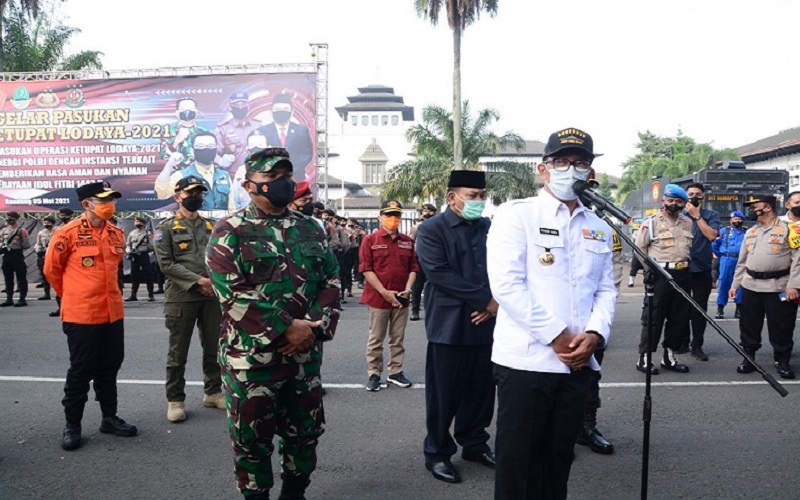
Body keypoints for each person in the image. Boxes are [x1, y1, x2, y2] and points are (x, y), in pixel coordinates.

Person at [487, 128, 615, 500]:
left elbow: (606, 289)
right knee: (518, 465)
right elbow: (507, 286)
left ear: (590, 172)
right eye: (561, 161)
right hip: (526, 363)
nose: (570, 169)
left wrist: (595, 335)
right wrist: (559, 337)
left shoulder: (598, 226)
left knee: (558, 461)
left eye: (580, 163)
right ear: (543, 170)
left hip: (576, 365)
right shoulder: (517, 215)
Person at [206, 148, 340, 500]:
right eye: (272, 178)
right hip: (251, 362)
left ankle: (295, 493)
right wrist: (286, 329)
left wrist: (310, 328)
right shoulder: (230, 230)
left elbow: (331, 282)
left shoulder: (311, 228)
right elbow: (232, 293)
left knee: (304, 435)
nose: (282, 183)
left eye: (286, 175)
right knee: (252, 441)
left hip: (303, 358)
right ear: (251, 185)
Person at [416, 171, 497, 484]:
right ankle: (436, 452)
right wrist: (485, 301)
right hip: (449, 325)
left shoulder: (488, 227)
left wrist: (495, 305)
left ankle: (475, 443)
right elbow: (439, 273)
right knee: (444, 394)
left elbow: (503, 266)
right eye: (471, 195)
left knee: (481, 390)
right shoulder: (432, 229)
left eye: (481, 196)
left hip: (487, 324)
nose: (478, 201)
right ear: (452, 197)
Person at [44, 181, 137, 451]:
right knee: (81, 370)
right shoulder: (67, 233)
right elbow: (52, 271)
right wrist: (72, 296)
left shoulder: (116, 233)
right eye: (104, 200)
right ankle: (72, 424)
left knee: (110, 367)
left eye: (112, 200)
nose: (111, 205)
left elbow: (116, 270)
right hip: (82, 314)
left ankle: (109, 418)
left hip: (112, 313)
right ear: (86, 204)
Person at [154, 176, 225, 422]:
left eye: (199, 193)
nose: (196, 197)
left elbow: (221, 258)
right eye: (190, 193)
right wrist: (198, 282)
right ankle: (175, 400)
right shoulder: (165, 229)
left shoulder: (213, 226)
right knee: (178, 352)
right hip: (181, 297)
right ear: (177, 197)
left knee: (214, 348)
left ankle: (213, 392)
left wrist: (211, 282)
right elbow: (166, 264)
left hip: (211, 295)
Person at [730, 195, 800, 380]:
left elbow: (797, 260)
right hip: (751, 285)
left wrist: (794, 285)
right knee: (749, 325)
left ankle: (782, 360)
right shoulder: (751, 231)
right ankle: (749, 359)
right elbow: (742, 261)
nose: (751, 210)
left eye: (754, 207)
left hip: (778, 286)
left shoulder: (789, 229)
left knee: (782, 326)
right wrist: (735, 284)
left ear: (767, 208)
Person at [574, 171, 618, 455]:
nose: (587, 194)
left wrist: (599, 326)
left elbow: (609, 280)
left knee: (589, 378)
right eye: (583, 189)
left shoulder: (601, 226)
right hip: (554, 322)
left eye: (591, 189)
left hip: (590, 319)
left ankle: (586, 427)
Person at [359, 200, 418, 392]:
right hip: (379, 299)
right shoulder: (370, 240)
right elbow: (366, 269)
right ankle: (374, 374)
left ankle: (395, 372)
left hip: (401, 297)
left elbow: (413, 268)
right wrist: (384, 292)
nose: (393, 219)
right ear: (380, 217)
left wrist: (408, 289)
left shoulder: (407, 241)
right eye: (389, 215)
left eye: (397, 215)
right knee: (376, 338)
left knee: (397, 338)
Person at [635, 184, 694, 375]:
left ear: (684, 203)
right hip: (660, 274)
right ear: (663, 201)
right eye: (670, 201)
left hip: (682, 273)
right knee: (653, 318)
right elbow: (640, 248)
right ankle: (645, 357)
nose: (674, 204)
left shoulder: (687, 223)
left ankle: (669, 356)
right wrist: (649, 270)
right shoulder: (651, 223)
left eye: (679, 202)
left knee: (679, 319)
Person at [679, 183, 720, 361]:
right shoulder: (678, 215)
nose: (694, 196)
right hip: (681, 268)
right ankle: (681, 342)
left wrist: (697, 217)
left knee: (699, 309)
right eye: (691, 194)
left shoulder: (711, 215)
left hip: (702, 268)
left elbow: (712, 235)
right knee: (680, 309)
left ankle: (697, 345)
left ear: (703, 197)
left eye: (698, 194)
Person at [155, 132, 235, 210]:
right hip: (195, 222)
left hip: (220, 222)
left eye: (211, 146)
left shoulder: (224, 175)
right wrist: (169, 165)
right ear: (192, 151)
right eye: (200, 146)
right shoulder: (181, 176)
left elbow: (232, 207)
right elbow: (162, 194)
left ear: (216, 149)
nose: (206, 149)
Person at [257, 93, 313, 182]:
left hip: (296, 179)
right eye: (278, 109)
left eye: (285, 109)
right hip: (270, 181)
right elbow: (259, 155)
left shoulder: (302, 131)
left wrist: (289, 170)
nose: (281, 112)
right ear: (271, 112)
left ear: (292, 112)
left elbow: (306, 155)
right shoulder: (262, 131)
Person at [214, 91, 262, 175]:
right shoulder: (223, 128)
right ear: (230, 107)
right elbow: (213, 153)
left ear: (248, 106)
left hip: (257, 173)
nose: (240, 107)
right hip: (232, 175)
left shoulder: (259, 126)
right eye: (236, 105)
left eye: (243, 104)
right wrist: (220, 161)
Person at [159, 96, 209, 171]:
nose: (187, 112)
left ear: (196, 112)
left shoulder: (204, 132)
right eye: (183, 109)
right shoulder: (168, 131)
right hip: (175, 175)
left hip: (199, 174)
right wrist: (176, 141)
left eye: (191, 109)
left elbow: (209, 156)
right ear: (177, 113)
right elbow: (163, 155)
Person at [712, 211, 746, 319]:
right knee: (724, 283)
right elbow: (714, 244)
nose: (737, 221)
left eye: (739, 219)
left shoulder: (746, 232)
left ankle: (739, 308)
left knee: (740, 283)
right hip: (726, 259)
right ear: (731, 220)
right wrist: (720, 255)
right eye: (734, 219)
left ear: (742, 220)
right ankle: (720, 308)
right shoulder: (724, 231)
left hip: (741, 260)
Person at [409, 203, 438, 321]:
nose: (427, 214)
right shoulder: (417, 227)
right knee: (417, 286)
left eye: (430, 212)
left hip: (434, 260)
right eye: (425, 212)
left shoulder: (439, 226)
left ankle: (434, 311)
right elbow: (411, 242)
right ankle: (415, 310)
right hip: (420, 260)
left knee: (435, 286)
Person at [0, 211, 31, 307]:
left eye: (11, 217)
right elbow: (1, 242)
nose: (9, 219)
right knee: (8, 278)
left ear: (16, 219)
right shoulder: (3, 231)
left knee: (21, 277)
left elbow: (27, 244)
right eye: (7, 217)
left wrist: (15, 246)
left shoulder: (22, 231)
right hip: (6, 256)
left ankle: (22, 298)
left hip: (17, 255)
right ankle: (9, 298)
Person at [50, 208, 75, 317]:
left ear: (69, 215)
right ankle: (61, 308)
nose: (62, 217)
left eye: (65, 215)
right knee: (59, 287)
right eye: (61, 215)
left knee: (73, 288)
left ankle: (72, 310)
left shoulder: (75, 226)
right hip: (60, 258)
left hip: (72, 260)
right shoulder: (57, 229)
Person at [125, 216, 155, 302]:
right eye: (136, 221)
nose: (136, 223)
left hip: (144, 255)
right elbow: (128, 244)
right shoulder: (132, 233)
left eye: (138, 221)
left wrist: (146, 251)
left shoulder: (147, 233)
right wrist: (129, 251)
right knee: (134, 275)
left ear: (143, 223)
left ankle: (151, 295)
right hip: (134, 256)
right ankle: (133, 295)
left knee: (148, 274)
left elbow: (152, 245)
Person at [34, 215, 57, 301]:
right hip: (44, 256)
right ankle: (46, 293)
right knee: (44, 275)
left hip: (54, 255)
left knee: (56, 275)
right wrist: (38, 250)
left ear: (53, 223)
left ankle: (59, 293)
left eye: (48, 222)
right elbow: (38, 244)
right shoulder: (41, 233)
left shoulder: (58, 231)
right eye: (45, 222)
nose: (46, 224)